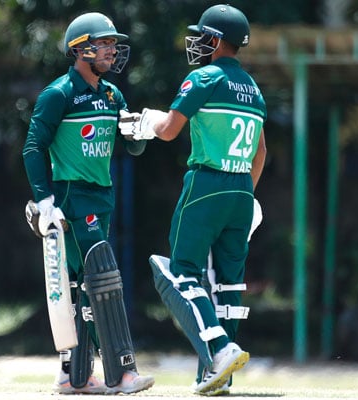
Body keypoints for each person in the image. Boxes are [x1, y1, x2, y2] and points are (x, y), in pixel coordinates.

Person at [120, 4, 267, 395]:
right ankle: (218, 375)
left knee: (182, 271)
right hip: (241, 189)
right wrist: (247, 195)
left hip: (207, 183)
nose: (199, 44)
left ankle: (219, 350)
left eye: (203, 37)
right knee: (229, 286)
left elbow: (168, 131)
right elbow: (261, 152)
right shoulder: (253, 88)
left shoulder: (203, 77)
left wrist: (145, 122)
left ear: (217, 41)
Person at [22, 12, 154, 395]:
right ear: (81, 49)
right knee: (102, 278)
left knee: (83, 283)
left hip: (102, 193)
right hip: (71, 195)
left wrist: (137, 133)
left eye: (114, 43)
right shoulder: (58, 94)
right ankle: (123, 373)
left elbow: (131, 146)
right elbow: (33, 147)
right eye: (105, 43)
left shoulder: (113, 95)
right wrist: (44, 199)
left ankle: (73, 375)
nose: (113, 50)